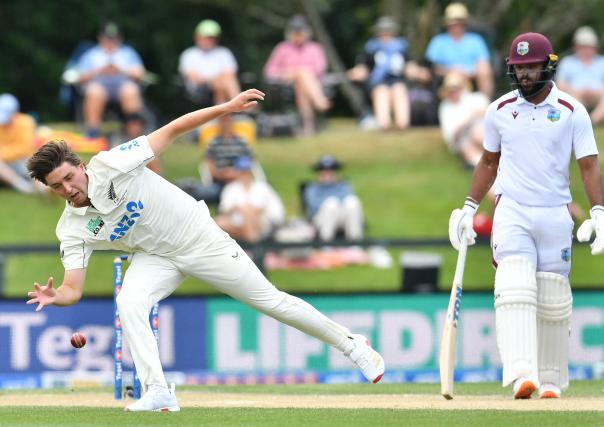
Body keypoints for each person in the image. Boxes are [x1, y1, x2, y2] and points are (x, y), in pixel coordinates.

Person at [25, 89, 384, 412]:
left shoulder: (112, 163)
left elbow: (173, 129)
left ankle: (352, 345)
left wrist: (227, 107)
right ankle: (158, 390)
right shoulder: (71, 229)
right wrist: (57, 296)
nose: (68, 188)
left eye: (70, 178)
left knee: (270, 301)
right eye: (58, 186)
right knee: (129, 302)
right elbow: (73, 288)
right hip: (155, 257)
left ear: (81, 166)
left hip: (197, 235)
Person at [448, 33, 604, 400]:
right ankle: (521, 373)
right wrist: (468, 207)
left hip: (555, 213)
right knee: (513, 288)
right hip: (512, 210)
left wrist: (600, 212)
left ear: (548, 65)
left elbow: (588, 166)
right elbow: (488, 162)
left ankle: (552, 381)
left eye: (531, 67)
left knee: (553, 300)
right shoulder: (499, 110)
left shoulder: (573, 110)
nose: (524, 75)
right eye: (518, 68)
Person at [263, 15, 331, 136]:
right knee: (301, 74)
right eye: (295, 32)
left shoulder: (315, 48)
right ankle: (319, 102)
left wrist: (298, 72)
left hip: (310, 83)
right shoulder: (282, 48)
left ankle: (307, 127)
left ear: (306, 32)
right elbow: (269, 70)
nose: (298, 35)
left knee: (302, 77)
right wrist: (285, 73)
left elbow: (320, 69)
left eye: (300, 32)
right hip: (287, 85)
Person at [77, 22, 146, 137]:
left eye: (113, 38)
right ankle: (93, 131)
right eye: (107, 38)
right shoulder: (91, 54)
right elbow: (80, 77)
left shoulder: (128, 53)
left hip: (122, 87)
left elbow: (140, 73)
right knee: (94, 91)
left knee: (130, 90)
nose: (110, 41)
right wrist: (100, 71)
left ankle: (135, 134)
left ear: (119, 38)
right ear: (100, 38)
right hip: (99, 86)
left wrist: (121, 70)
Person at [347, 16, 413, 130]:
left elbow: (410, 65)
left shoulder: (402, 47)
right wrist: (357, 72)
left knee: (399, 89)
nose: (385, 33)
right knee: (381, 92)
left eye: (388, 30)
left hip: (397, 81)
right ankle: (384, 124)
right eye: (383, 30)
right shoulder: (371, 47)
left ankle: (402, 124)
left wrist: (416, 71)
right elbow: (364, 67)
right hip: (378, 83)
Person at [556, 26, 604, 125]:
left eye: (588, 46)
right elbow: (560, 84)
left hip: (600, 95)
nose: (586, 49)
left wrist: (598, 91)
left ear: (595, 47)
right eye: (582, 46)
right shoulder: (567, 62)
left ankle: (593, 120)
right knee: (561, 91)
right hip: (575, 95)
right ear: (576, 47)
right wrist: (575, 90)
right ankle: (582, 119)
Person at [425, 2, 494, 98]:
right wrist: (451, 71)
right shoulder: (438, 41)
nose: (456, 24)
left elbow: (483, 63)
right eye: (453, 21)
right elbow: (431, 66)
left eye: (459, 21)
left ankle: (486, 104)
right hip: (447, 78)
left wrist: (467, 73)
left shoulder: (476, 40)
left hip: (472, 76)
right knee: (453, 78)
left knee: (484, 70)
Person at [215, 155, 285, 242]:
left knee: (247, 213)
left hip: (262, 223)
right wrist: (238, 209)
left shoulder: (262, 187)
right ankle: (250, 242)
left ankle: (251, 244)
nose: (244, 175)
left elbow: (261, 210)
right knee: (219, 222)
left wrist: (243, 210)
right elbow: (224, 210)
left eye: (246, 171)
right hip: (237, 224)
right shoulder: (230, 188)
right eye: (242, 171)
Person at [178, 19, 240, 106]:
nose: (209, 40)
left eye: (212, 37)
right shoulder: (189, 54)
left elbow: (230, 73)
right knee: (221, 83)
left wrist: (217, 80)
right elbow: (193, 77)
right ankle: (238, 102)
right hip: (199, 89)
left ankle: (229, 107)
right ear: (197, 37)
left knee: (221, 85)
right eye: (207, 37)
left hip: (221, 86)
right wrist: (213, 80)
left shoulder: (224, 52)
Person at [303, 154, 364, 241]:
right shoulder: (312, 188)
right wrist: (331, 202)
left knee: (352, 202)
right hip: (321, 220)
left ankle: (355, 242)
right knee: (331, 204)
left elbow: (348, 204)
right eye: (324, 169)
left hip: (342, 218)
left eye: (331, 169)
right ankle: (326, 244)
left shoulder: (344, 186)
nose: (327, 172)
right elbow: (314, 207)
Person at [437, 71, 489, 168]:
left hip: (481, 131)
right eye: (451, 88)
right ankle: (483, 166)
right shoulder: (445, 107)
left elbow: (489, 114)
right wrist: (467, 122)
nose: (454, 91)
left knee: (477, 134)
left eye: (456, 87)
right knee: (467, 144)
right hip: (461, 137)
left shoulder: (476, 98)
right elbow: (451, 135)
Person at [0, 93, 45, 193]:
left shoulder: (26, 122)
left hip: (23, 160)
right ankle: (24, 188)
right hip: (5, 163)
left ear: (15, 113)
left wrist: (3, 153)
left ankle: (45, 190)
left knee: (33, 167)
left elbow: (25, 148)